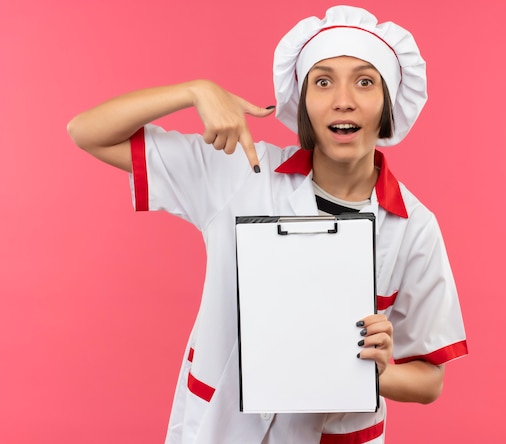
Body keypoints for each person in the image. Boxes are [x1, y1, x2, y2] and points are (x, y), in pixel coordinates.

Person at [67, 5, 467, 444]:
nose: (343, 99)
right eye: (323, 81)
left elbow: (431, 381)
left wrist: (382, 372)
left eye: (365, 81)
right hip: (221, 428)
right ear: (304, 103)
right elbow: (88, 131)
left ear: (388, 100)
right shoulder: (239, 171)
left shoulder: (414, 226)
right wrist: (193, 90)